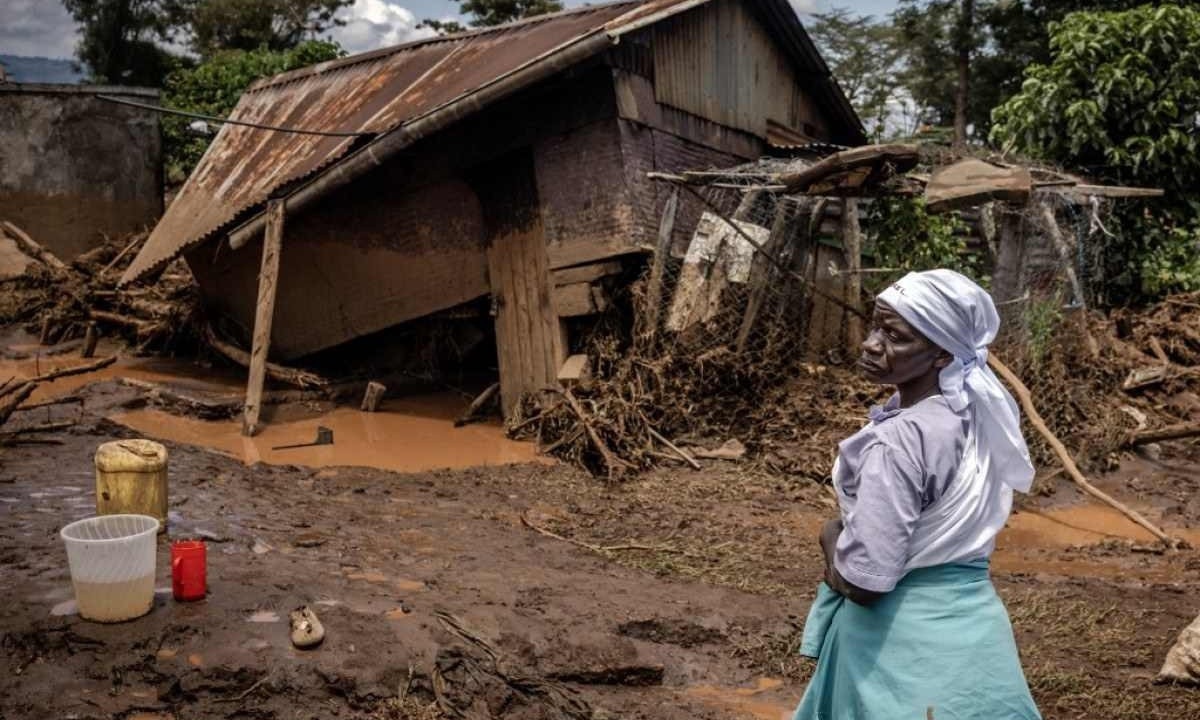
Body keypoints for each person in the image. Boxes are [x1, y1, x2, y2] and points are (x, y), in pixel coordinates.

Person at [792, 269, 1041, 720]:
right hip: (976, 642)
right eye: (875, 326)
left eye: (894, 336)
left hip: (896, 653)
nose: (871, 343)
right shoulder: (971, 418)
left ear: (942, 354)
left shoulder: (901, 439)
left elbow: (864, 583)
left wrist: (830, 534)